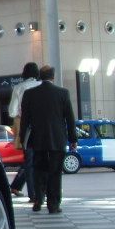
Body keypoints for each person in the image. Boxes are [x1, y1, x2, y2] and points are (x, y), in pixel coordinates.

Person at [20, 64, 78, 214]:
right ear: (53, 77)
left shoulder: (29, 94)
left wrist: (22, 138)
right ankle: (53, 205)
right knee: (55, 172)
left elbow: (24, 119)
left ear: (40, 76)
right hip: (57, 139)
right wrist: (73, 139)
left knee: (38, 170)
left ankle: (38, 200)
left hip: (37, 140)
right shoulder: (63, 93)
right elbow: (69, 119)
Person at [8, 62, 40, 201]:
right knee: (40, 161)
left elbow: (12, 111)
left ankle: (32, 194)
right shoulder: (41, 86)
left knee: (29, 160)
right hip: (43, 127)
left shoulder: (19, 88)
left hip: (26, 127)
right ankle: (41, 192)